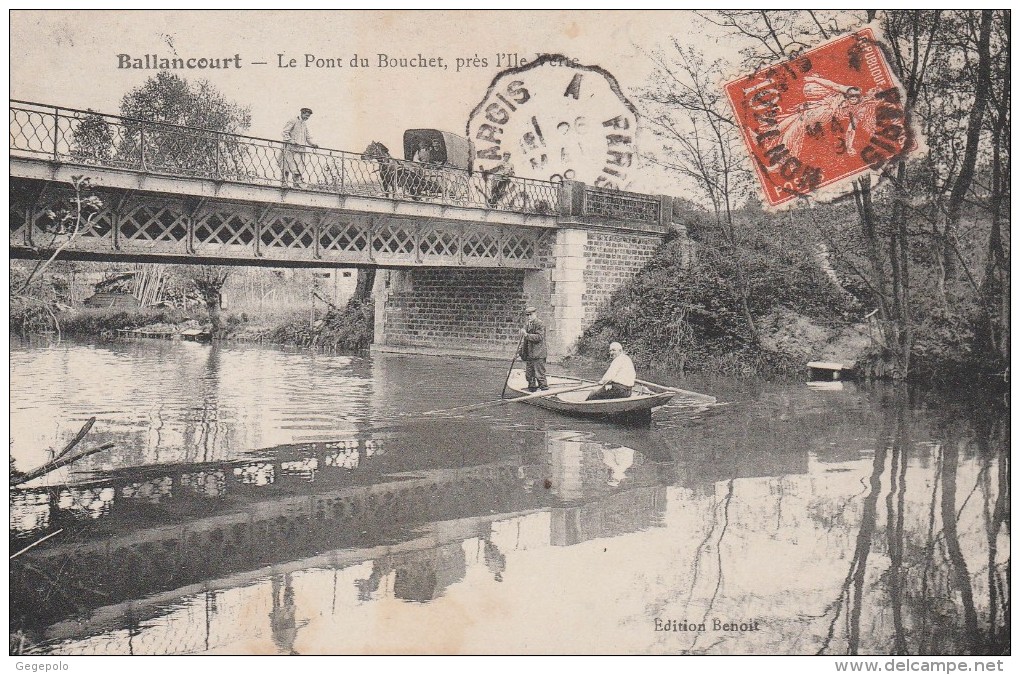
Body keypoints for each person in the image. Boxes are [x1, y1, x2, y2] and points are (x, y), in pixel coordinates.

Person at [282, 107, 318, 187]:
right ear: (302, 113)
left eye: (308, 116)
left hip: (300, 150)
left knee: (298, 167)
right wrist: (290, 140)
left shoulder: (304, 124)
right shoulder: (293, 120)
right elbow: (285, 132)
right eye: (306, 115)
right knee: (287, 166)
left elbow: (308, 137)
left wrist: (312, 144)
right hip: (291, 148)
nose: (307, 118)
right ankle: (284, 183)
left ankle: (296, 185)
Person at [519, 306, 548, 391]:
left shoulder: (540, 324)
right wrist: (520, 352)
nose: (529, 317)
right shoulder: (527, 325)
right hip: (530, 355)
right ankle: (532, 390)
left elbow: (539, 337)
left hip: (538, 354)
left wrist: (526, 335)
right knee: (529, 375)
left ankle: (544, 391)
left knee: (540, 375)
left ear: (535, 314)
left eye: (530, 315)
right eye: (527, 315)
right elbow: (525, 342)